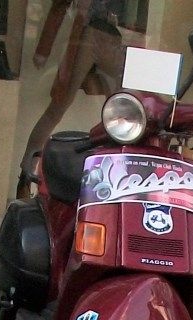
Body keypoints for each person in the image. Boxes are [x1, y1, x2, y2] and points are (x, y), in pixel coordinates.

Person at [17, 0, 127, 198]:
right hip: (91, 36)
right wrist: (43, 50)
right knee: (58, 109)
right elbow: (59, 7)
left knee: (123, 116)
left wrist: (43, 50)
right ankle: (26, 173)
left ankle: (118, 180)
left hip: (110, 39)